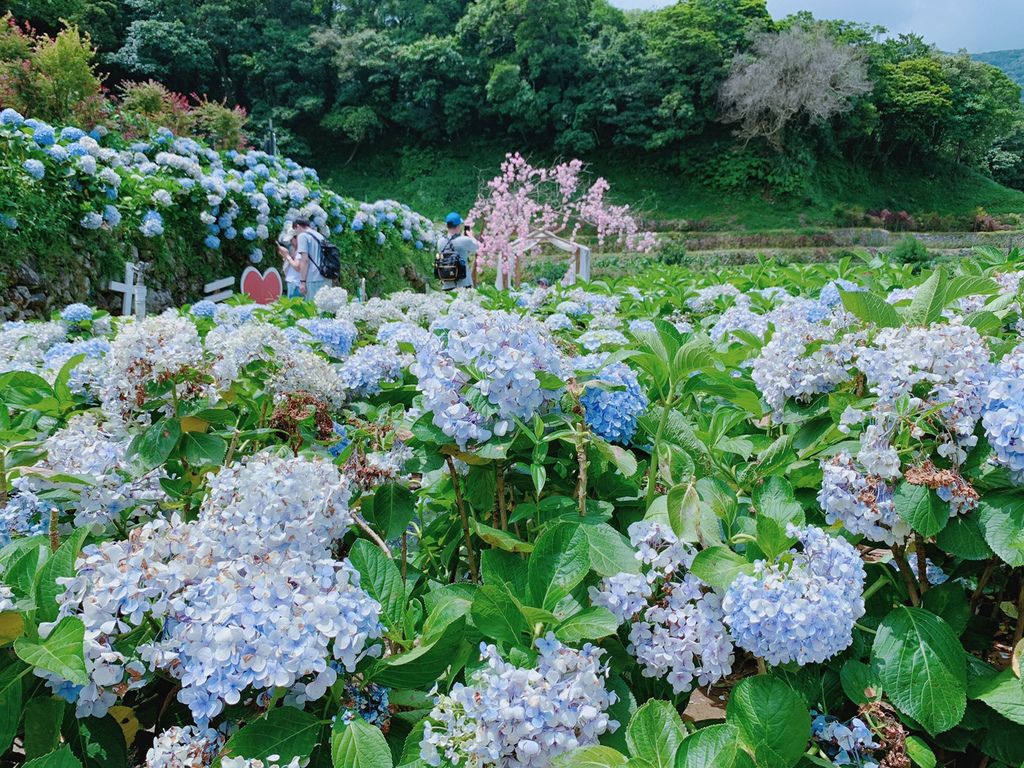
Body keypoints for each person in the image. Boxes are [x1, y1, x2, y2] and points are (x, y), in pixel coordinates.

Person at [436, 212, 478, 291]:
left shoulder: (440, 242)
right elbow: (477, 247)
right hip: (464, 284)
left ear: (447, 225)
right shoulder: (465, 240)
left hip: (447, 283)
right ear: (458, 226)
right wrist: (471, 236)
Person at [292, 217, 331, 301]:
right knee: (325, 309)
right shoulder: (319, 236)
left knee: (313, 309)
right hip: (326, 276)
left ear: (298, 226)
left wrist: (302, 282)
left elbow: (304, 260)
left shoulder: (303, 236)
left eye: (295, 230)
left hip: (313, 278)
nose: (296, 233)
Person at [276, 224, 302, 298]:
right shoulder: (296, 249)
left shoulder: (301, 250)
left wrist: (287, 256)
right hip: (293, 282)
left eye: (291, 240)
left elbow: (297, 267)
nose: (290, 242)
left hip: (296, 284)